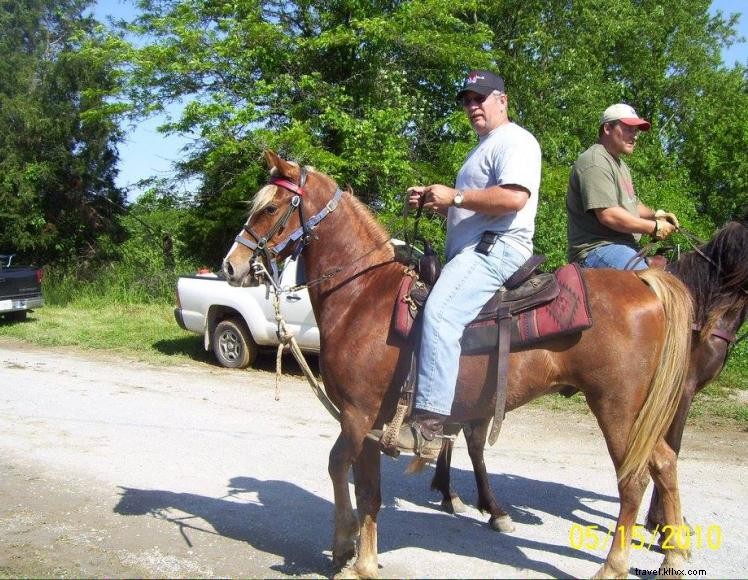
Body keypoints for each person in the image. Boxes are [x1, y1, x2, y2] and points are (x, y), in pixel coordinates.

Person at [397, 70, 542, 460]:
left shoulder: (516, 140)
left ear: (503, 100)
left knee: (441, 314)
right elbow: (472, 208)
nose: (473, 106)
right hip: (475, 247)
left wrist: (456, 197)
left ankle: (428, 429)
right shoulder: (481, 148)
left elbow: (513, 198)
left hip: (497, 248)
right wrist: (435, 201)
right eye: (467, 100)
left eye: (481, 98)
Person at [566, 103, 679, 270]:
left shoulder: (620, 165)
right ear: (607, 128)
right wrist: (654, 228)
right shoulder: (595, 161)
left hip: (625, 247)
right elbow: (609, 215)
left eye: (636, 131)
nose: (635, 136)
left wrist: (657, 215)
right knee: (651, 286)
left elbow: (632, 204)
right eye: (628, 129)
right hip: (597, 249)